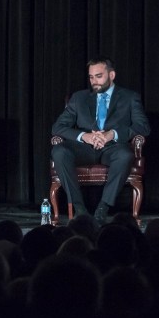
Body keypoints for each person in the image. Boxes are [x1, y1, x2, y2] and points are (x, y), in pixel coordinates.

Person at [51, 57, 151, 225]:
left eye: (99, 76)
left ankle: (102, 209)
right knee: (59, 152)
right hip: (84, 148)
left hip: (112, 148)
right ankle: (80, 209)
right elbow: (58, 127)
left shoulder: (129, 97)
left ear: (111, 75)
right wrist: (85, 136)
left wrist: (112, 134)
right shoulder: (79, 98)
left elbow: (143, 127)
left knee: (125, 155)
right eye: (91, 77)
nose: (94, 81)